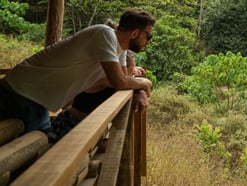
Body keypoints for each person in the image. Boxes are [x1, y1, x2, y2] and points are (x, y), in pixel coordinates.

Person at [0, 8, 155, 136]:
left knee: (36, 148)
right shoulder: (104, 34)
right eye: (148, 36)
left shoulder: (120, 49)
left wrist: (140, 90)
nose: (148, 42)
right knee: (34, 152)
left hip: (32, 99)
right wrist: (146, 83)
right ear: (134, 33)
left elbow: (125, 79)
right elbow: (120, 82)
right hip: (19, 93)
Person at [48, 51, 146, 143]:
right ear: (121, 67)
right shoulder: (105, 79)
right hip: (70, 125)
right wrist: (142, 88)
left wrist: (140, 91)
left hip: (82, 127)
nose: (133, 72)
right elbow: (145, 83)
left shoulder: (105, 77)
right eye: (132, 68)